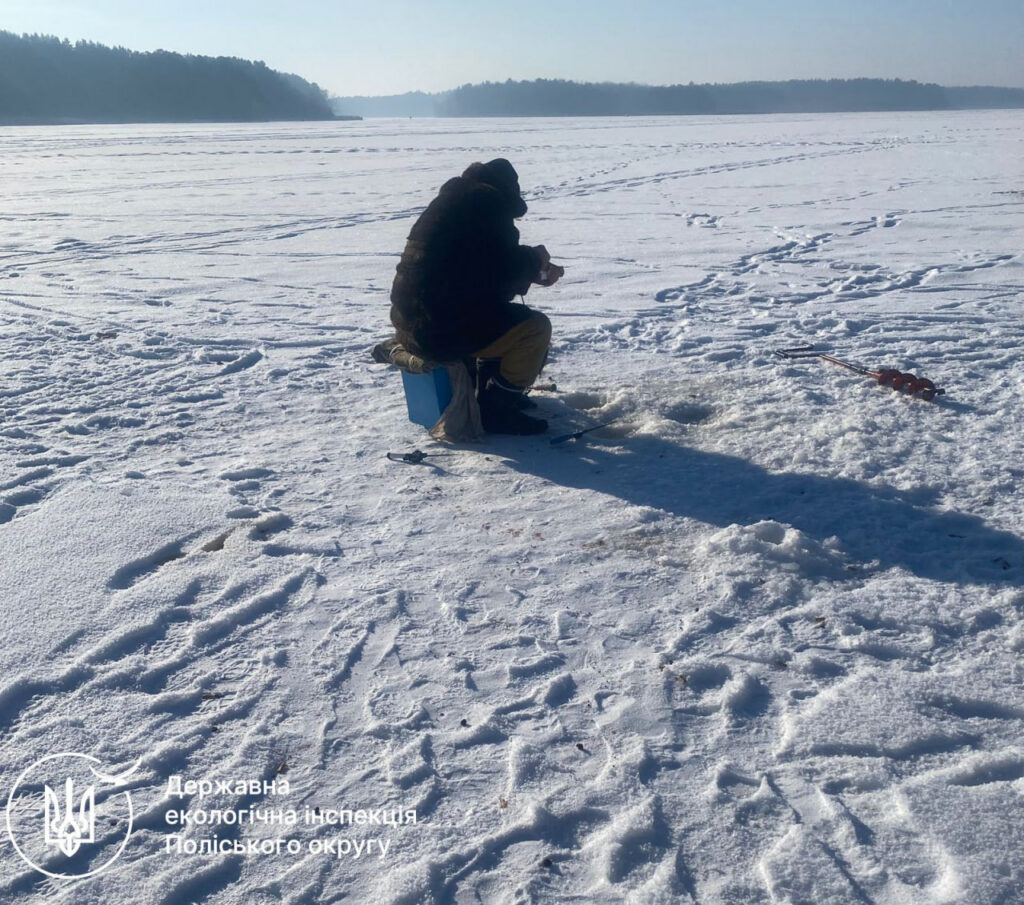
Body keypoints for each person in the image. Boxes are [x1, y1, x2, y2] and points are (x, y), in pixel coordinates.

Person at [389, 158, 564, 435]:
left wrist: (529, 268)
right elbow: (500, 268)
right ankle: (497, 408)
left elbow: (478, 272)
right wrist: (535, 262)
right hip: (437, 331)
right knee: (535, 328)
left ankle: (492, 392)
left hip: (412, 323)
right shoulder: (487, 204)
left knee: (499, 316)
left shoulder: (455, 202)